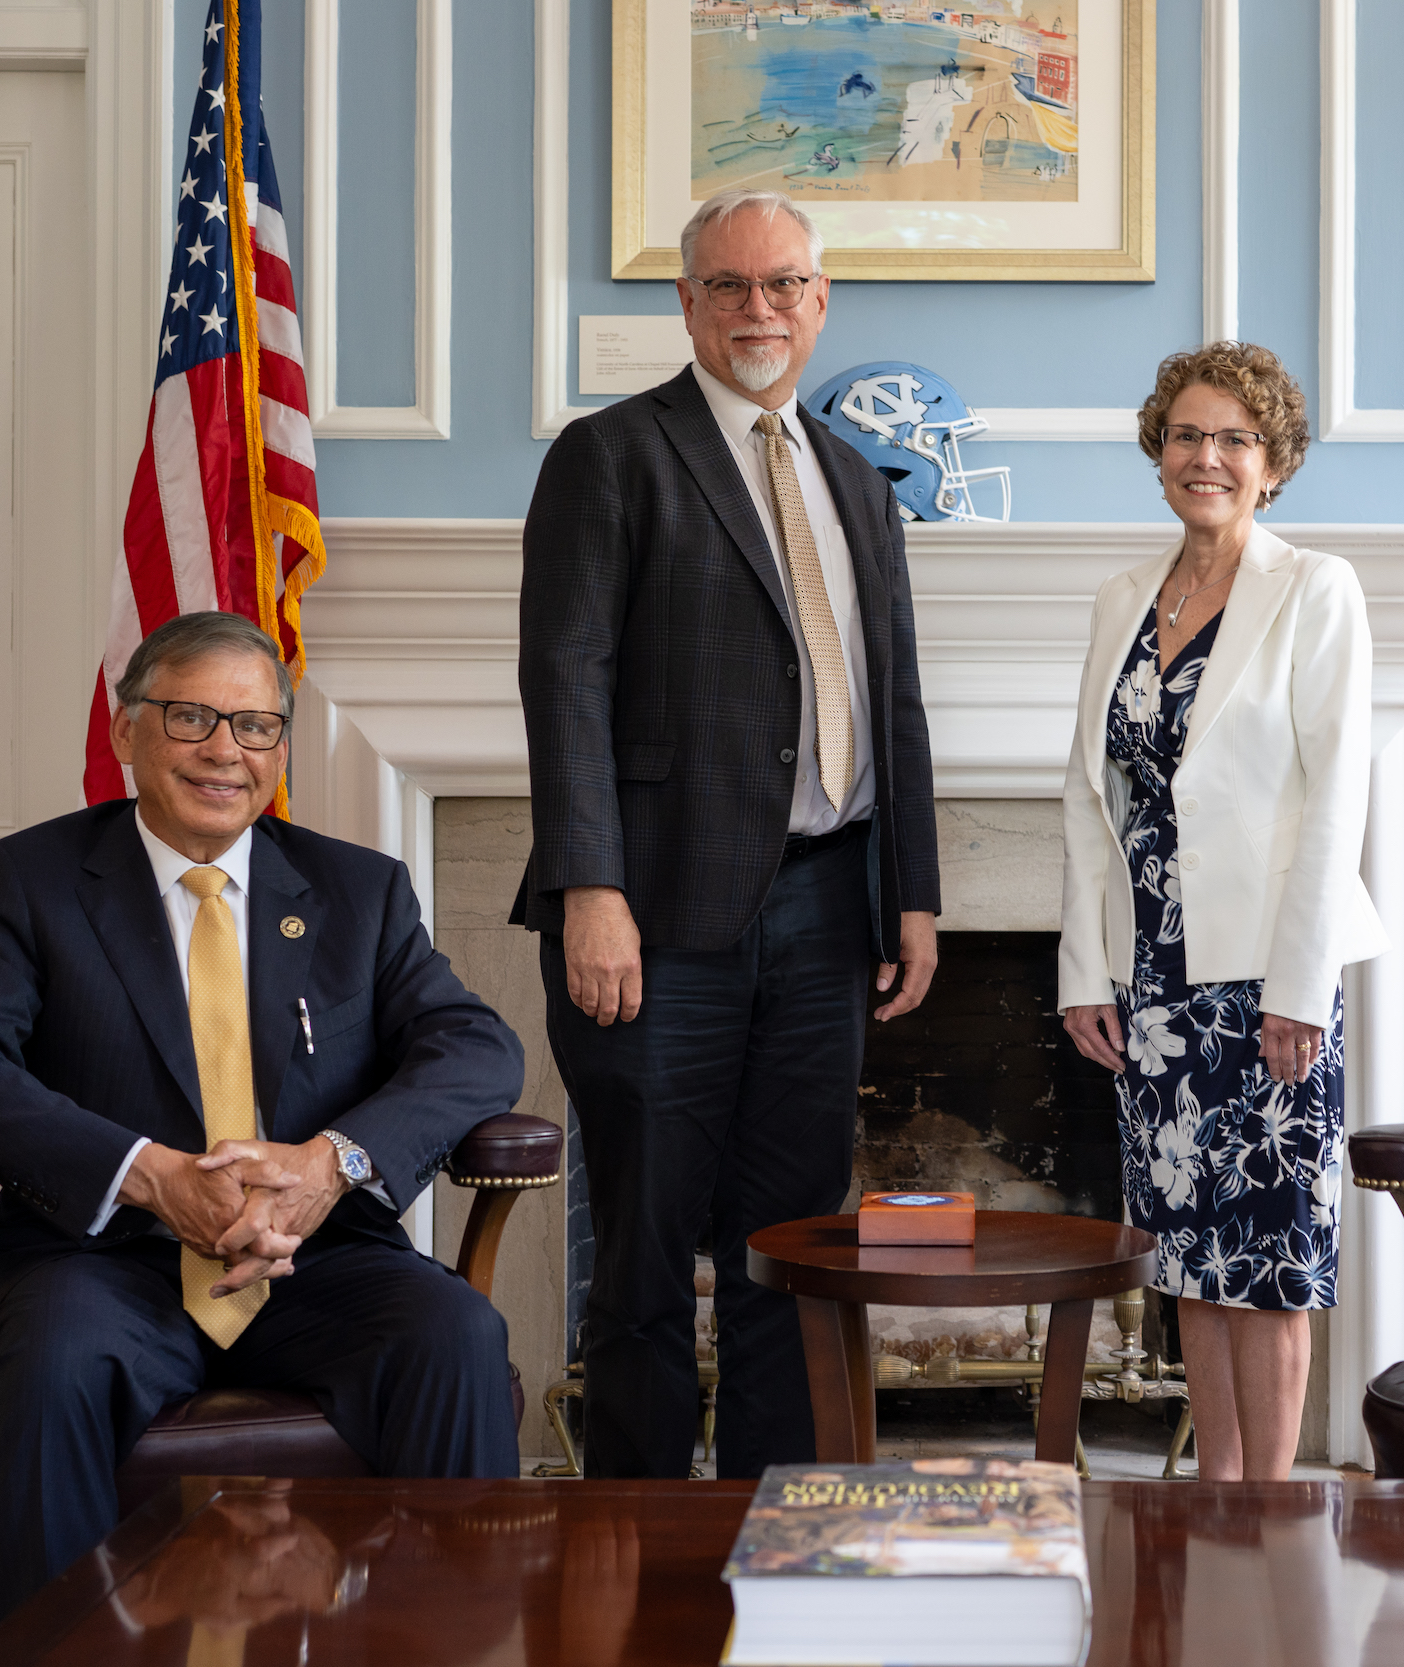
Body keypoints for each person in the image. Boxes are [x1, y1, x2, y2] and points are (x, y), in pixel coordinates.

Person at [0, 610, 527, 1630]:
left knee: (453, 1330)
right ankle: (60, 1654)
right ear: (125, 729)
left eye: (257, 726)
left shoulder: (357, 890)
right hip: (99, 1262)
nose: (226, 749)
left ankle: (432, 1645)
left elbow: (476, 1045)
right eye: (191, 716)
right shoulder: (35, 880)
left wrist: (331, 1161)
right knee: (55, 1359)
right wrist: (144, 1170)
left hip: (316, 1259)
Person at [515, 188, 941, 1479]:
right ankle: (635, 1537)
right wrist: (592, 885)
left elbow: (895, 695)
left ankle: (771, 1527)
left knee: (788, 1247)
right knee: (643, 1253)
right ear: (687, 303)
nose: (760, 310)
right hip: (651, 917)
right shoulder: (611, 455)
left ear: (821, 301)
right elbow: (566, 680)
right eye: (730, 286)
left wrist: (910, 893)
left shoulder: (857, 479)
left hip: (826, 914)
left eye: (783, 286)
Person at [1057, 342, 1389, 1480]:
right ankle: (1215, 1492)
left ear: (1274, 462)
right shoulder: (1119, 600)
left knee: (1271, 1255)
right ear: (1159, 451)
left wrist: (1302, 990)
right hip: (1152, 985)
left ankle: (1271, 1507)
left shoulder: (1314, 588)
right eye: (1188, 434)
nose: (1208, 456)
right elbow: (1087, 798)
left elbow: (1336, 795)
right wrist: (1085, 970)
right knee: (1188, 1253)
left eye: (1235, 438)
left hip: (1265, 982)